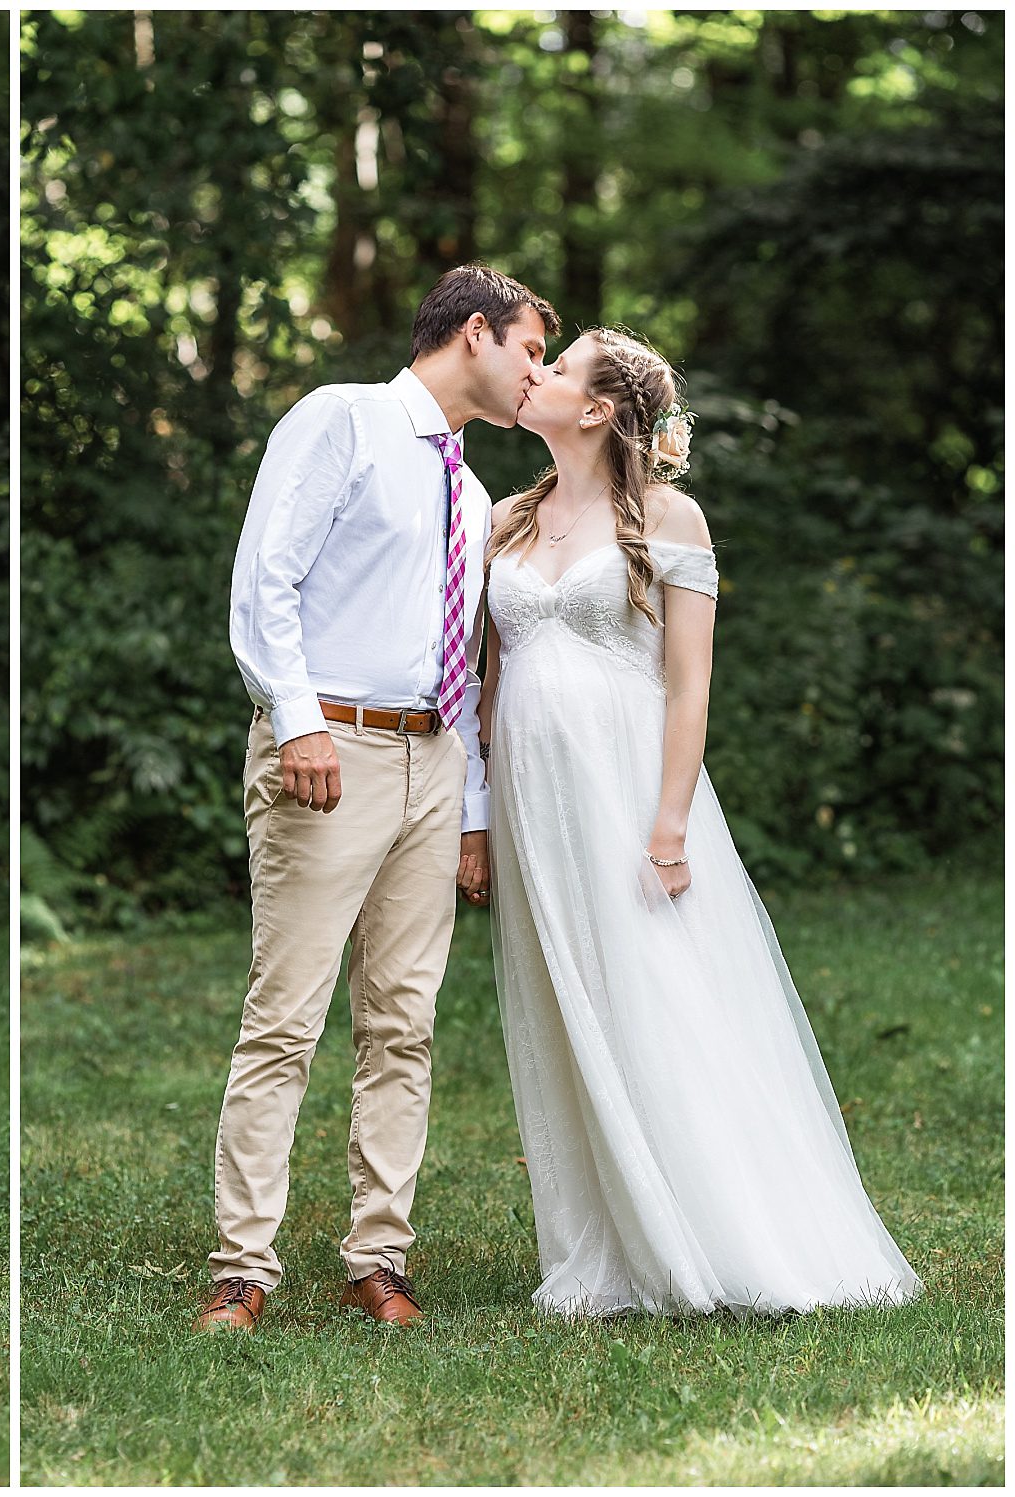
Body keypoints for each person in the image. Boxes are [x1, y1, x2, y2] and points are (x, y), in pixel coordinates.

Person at [479, 326, 922, 1315]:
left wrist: (668, 827)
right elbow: (489, 676)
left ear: (595, 410)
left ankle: (719, 1232)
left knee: (657, 997)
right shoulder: (507, 517)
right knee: (567, 1003)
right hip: (532, 798)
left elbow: (687, 687)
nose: (533, 376)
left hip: (630, 790)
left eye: (555, 368)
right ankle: (606, 1235)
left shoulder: (668, 516)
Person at [199, 267, 560, 1334]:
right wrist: (298, 718)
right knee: (286, 1016)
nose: (535, 373)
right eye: (531, 351)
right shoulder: (341, 419)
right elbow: (264, 577)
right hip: (330, 749)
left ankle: (378, 1256)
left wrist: (472, 811)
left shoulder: (472, 491)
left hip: (432, 762)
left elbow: (459, 656)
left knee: (402, 1021)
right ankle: (240, 1266)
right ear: (476, 333)